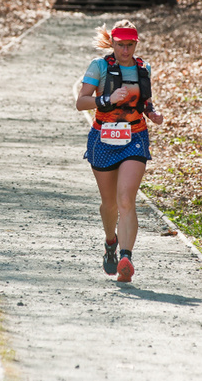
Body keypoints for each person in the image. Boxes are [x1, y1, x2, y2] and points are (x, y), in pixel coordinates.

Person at [76, 20, 164, 283]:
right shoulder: (100, 66)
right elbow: (81, 102)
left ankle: (126, 258)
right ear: (112, 43)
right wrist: (106, 100)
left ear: (136, 44)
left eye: (130, 45)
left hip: (134, 136)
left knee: (126, 200)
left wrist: (152, 113)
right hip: (103, 138)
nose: (125, 50)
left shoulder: (142, 68)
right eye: (120, 45)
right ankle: (110, 242)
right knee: (110, 204)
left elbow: (144, 101)